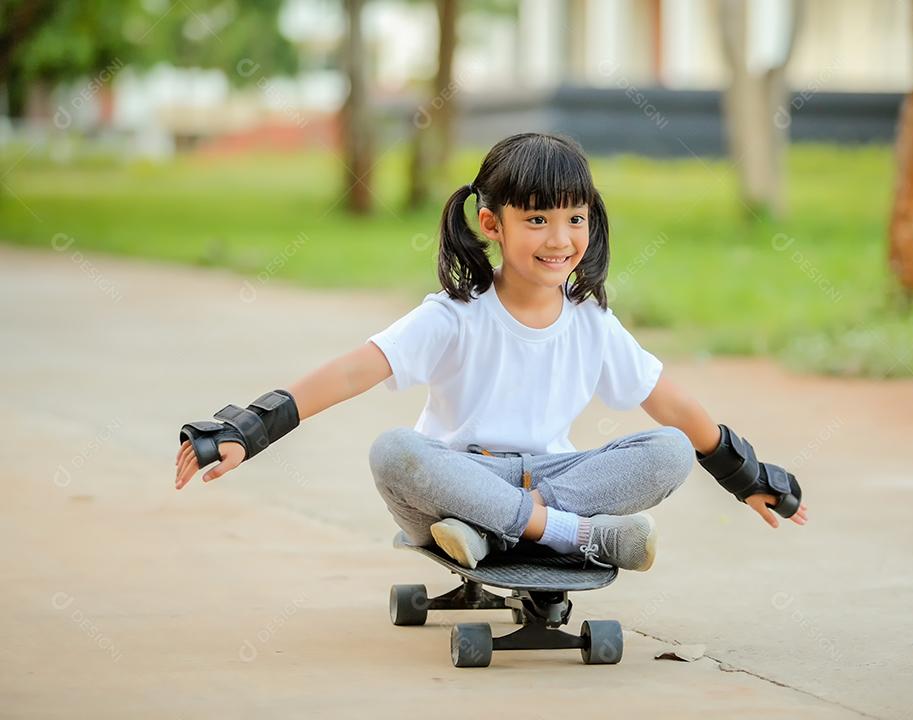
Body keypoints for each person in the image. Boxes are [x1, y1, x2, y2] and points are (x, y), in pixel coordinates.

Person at [175, 132, 808, 573]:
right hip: (458, 482)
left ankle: (503, 532)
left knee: (668, 448)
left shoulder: (592, 323)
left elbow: (675, 408)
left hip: (554, 479)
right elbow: (349, 373)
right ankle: (572, 536)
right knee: (394, 451)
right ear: (490, 224)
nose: (560, 239)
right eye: (536, 221)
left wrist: (745, 476)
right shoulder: (455, 316)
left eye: (575, 219)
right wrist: (249, 429)